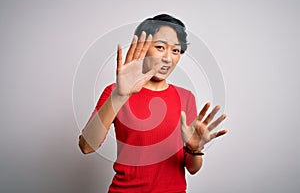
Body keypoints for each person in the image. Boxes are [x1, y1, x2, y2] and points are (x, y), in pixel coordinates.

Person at [78, 14, 228, 193]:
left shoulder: (185, 97)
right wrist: (120, 95)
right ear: (142, 48)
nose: (168, 58)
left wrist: (195, 149)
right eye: (160, 47)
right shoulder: (115, 92)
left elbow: (192, 169)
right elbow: (86, 147)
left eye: (176, 51)